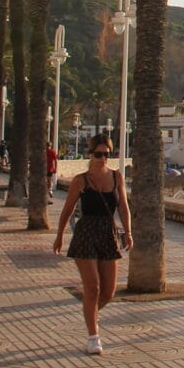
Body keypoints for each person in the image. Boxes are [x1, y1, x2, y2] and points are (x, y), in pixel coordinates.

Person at [53, 133, 132, 356]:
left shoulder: (117, 178)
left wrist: (128, 232)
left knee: (108, 291)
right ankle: (93, 337)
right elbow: (68, 208)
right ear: (91, 154)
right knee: (93, 288)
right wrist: (59, 235)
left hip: (108, 233)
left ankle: (90, 315)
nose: (103, 158)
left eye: (107, 154)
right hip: (86, 233)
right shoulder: (81, 180)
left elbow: (124, 207)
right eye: (99, 154)